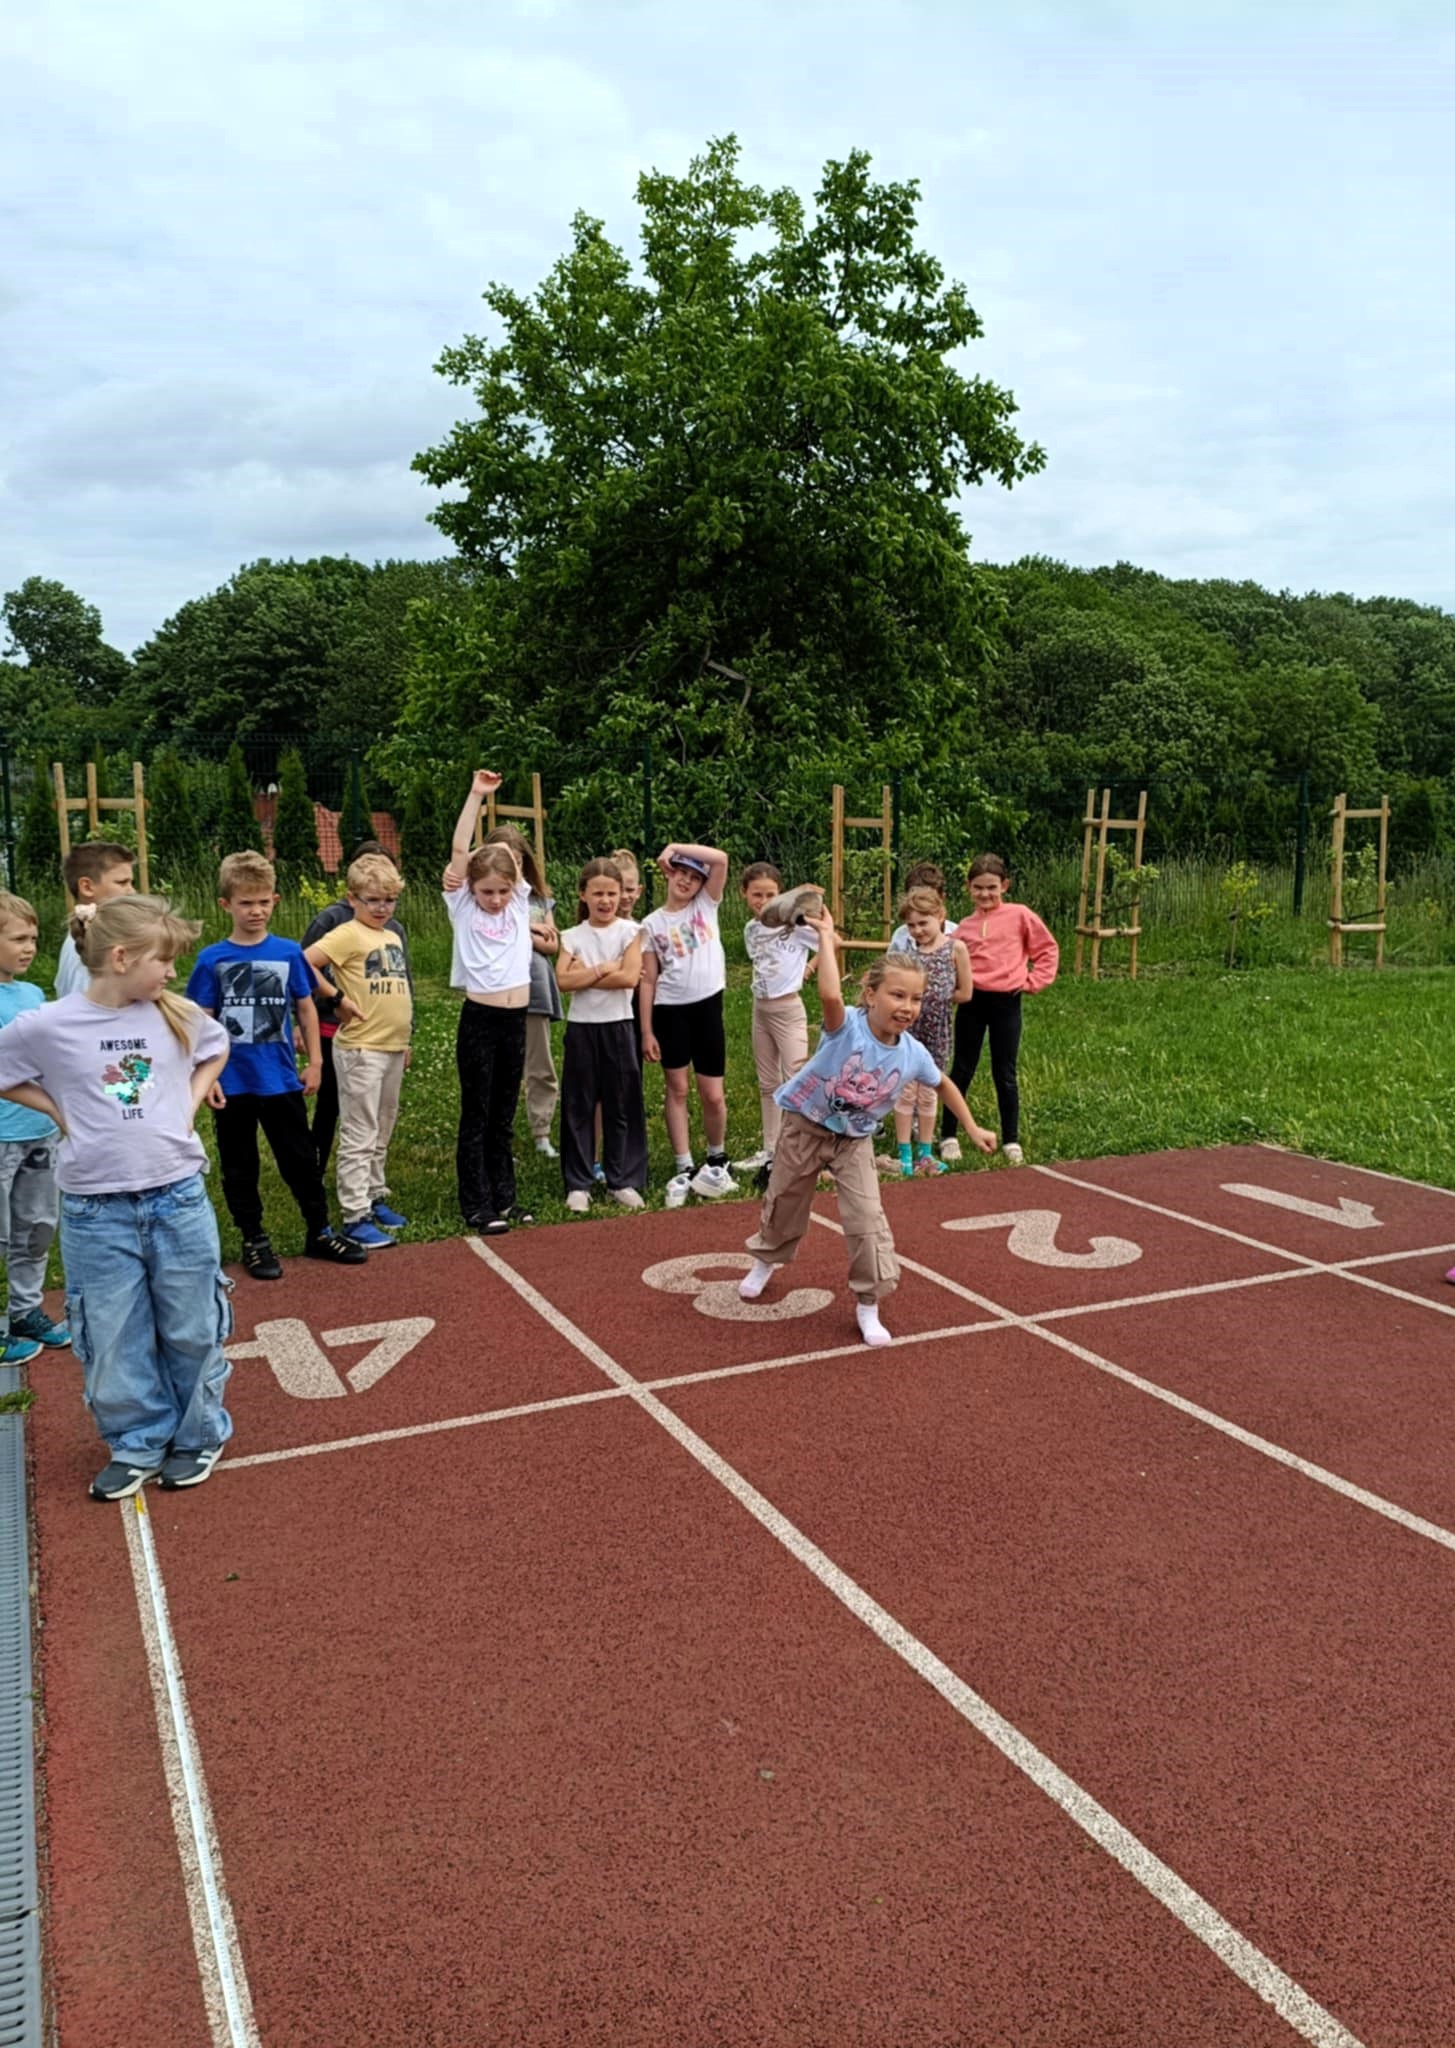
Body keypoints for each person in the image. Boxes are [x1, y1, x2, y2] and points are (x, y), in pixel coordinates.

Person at [0, 896, 234, 1498]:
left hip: (177, 1199)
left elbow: (216, 1046)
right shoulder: (49, 1024)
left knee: (191, 1326)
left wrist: (190, 1099)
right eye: (164, 960)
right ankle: (136, 1441)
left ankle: (198, 1434)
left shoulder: (172, 1012)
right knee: (112, 1332)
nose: (172, 973)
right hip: (95, 1211)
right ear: (123, 957)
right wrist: (55, 1107)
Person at [740, 910, 996, 1346]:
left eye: (915, 1000)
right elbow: (828, 996)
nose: (908, 1008)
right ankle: (767, 1259)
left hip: (853, 1141)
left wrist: (972, 1129)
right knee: (785, 1201)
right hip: (806, 1126)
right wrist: (825, 937)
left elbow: (944, 1083)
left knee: (867, 1221)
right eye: (898, 996)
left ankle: (868, 1303)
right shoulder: (847, 1031)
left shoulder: (912, 1052)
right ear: (871, 995)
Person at [186, 852, 366, 1278]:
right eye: (246, 903)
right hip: (233, 1081)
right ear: (225, 905)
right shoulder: (212, 959)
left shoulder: (287, 953)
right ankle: (254, 1238)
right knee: (239, 1163)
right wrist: (205, 1074)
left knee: (300, 1158)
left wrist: (317, 1062)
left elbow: (306, 1007)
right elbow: (203, 1021)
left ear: (276, 900)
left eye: (264, 901)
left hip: (280, 1078)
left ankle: (319, 1231)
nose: (256, 911)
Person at [303, 852, 414, 1249]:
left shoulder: (391, 935)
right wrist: (335, 999)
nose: (382, 908)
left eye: (389, 899)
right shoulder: (348, 933)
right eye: (373, 900)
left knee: (382, 1127)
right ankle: (354, 1215)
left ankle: (374, 1194)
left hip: (391, 1046)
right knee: (359, 1130)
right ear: (353, 898)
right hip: (360, 1049)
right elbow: (303, 963)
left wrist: (406, 1039)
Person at [441, 773, 535, 1235]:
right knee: (476, 1111)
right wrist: (477, 795)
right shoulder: (463, 906)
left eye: (502, 890)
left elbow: (512, 862)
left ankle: (506, 1197)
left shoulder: (519, 902)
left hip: (515, 1019)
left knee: (503, 1113)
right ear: (471, 890)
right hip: (480, 1018)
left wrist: (499, 864)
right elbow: (462, 854)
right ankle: (476, 1203)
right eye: (487, 892)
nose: (496, 900)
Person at [940, 855, 1059, 1167]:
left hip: (1007, 1001)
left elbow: (1047, 949)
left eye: (992, 887)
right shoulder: (964, 928)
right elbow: (947, 962)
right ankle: (948, 1135)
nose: (985, 894)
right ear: (968, 888)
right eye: (978, 888)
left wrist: (1034, 981)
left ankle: (1011, 1138)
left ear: (1004, 886)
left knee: (1004, 1070)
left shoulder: (1020, 915)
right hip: (972, 1002)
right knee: (962, 1067)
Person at [639, 841, 735, 1204]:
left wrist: (673, 848)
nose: (686, 881)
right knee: (677, 1088)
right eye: (680, 872)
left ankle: (716, 1157)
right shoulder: (651, 924)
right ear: (669, 873)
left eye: (694, 877)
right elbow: (648, 979)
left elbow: (721, 859)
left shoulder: (706, 905)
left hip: (708, 1006)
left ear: (701, 885)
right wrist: (647, 1030)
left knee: (713, 1093)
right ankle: (684, 1165)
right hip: (670, 1010)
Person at [556, 858, 647, 1213]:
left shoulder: (631, 931)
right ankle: (578, 1182)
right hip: (582, 1028)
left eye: (612, 893)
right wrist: (604, 968)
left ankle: (621, 1178)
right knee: (579, 1104)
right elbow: (562, 981)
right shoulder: (571, 936)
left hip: (619, 1026)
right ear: (583, 895)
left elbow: (629, 978)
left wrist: (588, 975)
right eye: (598, 894)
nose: (606, 901)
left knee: (620, 1104)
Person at [0, 893, 68, 1361]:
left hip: (39, 1131)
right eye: (18, 939)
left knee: (36, 1227)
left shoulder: (31, 994)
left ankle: (25, 1309)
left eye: (34, 939)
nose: (29, 948)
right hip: (1, 1136)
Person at [734, 861, 818, 1180]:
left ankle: (802, 1148)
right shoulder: (750, 929)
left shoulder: (793, 925)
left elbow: (829, 942)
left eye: (770, 894)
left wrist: (809, 969)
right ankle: (771, 1150)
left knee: (796, 1078)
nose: (763, 900)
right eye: (756, 894)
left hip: (788, 1009)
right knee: (768, 1083)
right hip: (761, 1008)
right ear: (743, 894)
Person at [482, 825, 562, 1161]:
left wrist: (521, 933)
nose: (510, 868)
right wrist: (524, 931)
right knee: (496, 1067)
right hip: (494, 991)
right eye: (501, 860)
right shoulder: (484, 895)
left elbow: (552, 943)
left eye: (515, 860)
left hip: (535, 986)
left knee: (539, 1062)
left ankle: (541, 1130)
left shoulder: (538, 899)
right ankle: (495, 1135)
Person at [891, 885, 972, 1176]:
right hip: (909, 1029)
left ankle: (925, 1151)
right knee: (905, 1090)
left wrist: (941, 997)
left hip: (938, 1030)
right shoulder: (911, 953)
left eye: (922, 923)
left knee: (929, 1089)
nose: (917, 930)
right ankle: (904, 1153)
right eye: (911, 925)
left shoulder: (956, 948)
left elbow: (966, 992)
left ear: (940, 916)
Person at [54, 841, 134, 999]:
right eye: (122, 883)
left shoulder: (98, 935)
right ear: (87, 887)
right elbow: (84, 1008)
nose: (132, 891)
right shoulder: (86, 945)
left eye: (132, 883)